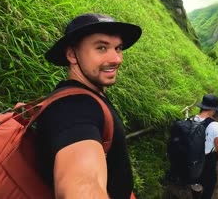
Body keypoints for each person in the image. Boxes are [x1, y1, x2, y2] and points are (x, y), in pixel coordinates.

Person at [36, 13, 142, 199]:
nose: (116, 59)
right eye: (101, 48)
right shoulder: (72, 108)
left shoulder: (91, 96)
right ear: (72, 55)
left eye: (118, 48)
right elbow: (83, 185)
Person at [192, 94, 218, 199]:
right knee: (210, 184)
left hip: (191, 160)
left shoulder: (191, 119)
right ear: (212, 110)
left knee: (196, 183)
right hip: (206, 163)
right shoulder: (215, 126)